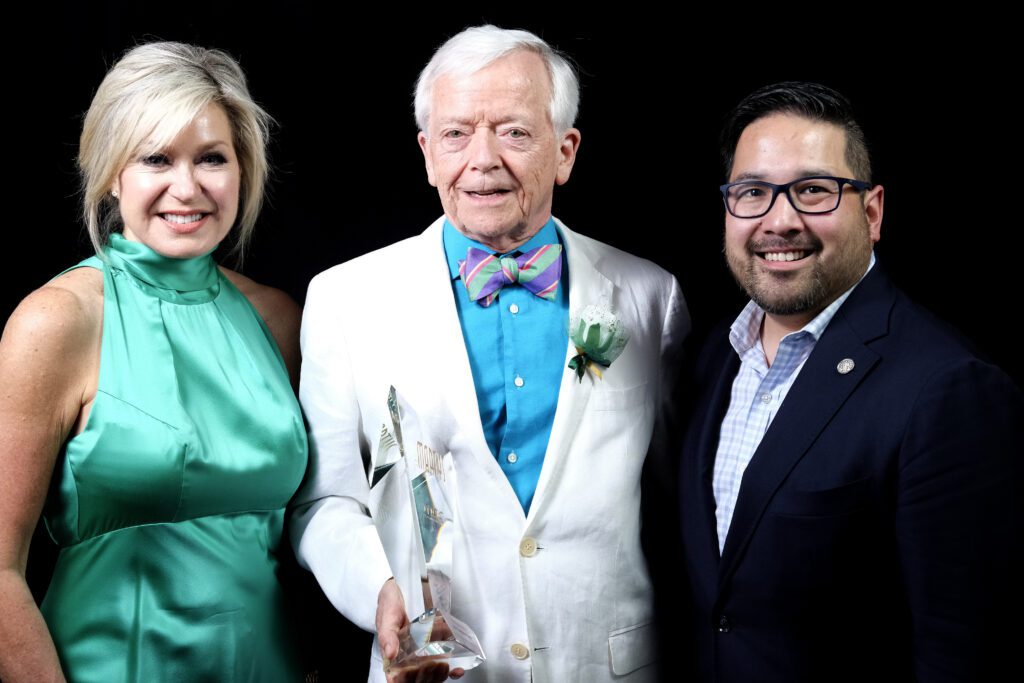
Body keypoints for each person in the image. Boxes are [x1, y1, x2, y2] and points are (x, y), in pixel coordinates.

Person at [291, 25, 688, 683]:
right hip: (432, 669)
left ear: (565, 151)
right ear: (426, 153)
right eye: (456, 133)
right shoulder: (343, 299)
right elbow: (322, 501)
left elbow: (679, 501)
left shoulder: (651, 297)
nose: (482, 158)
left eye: (513, 131)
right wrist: (382, 591)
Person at [674, 81, 1023, 682]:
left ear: (872, 210)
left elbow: (961, 651)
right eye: (753, 192)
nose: (778, 221)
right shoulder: (709, 357)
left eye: (812, 190)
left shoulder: (947, 389)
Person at [0, 42, 307, 682]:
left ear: (241, 170)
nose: (187, 187)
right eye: (156, 159)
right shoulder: (57, 321)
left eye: (212, 159)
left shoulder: (277, 319)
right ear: (114, 172)